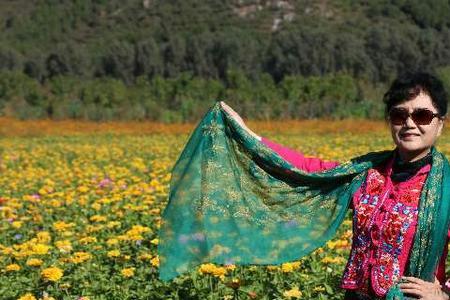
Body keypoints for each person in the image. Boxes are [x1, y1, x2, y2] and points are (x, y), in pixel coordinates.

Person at [220, 72, 450, 299]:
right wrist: (248, 136)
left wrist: (444, 293)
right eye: (399, 115)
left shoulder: (446, 188)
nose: (409, 123)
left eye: (422, 116)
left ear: (439, 124)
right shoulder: (366, 173)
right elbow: (309, 169)